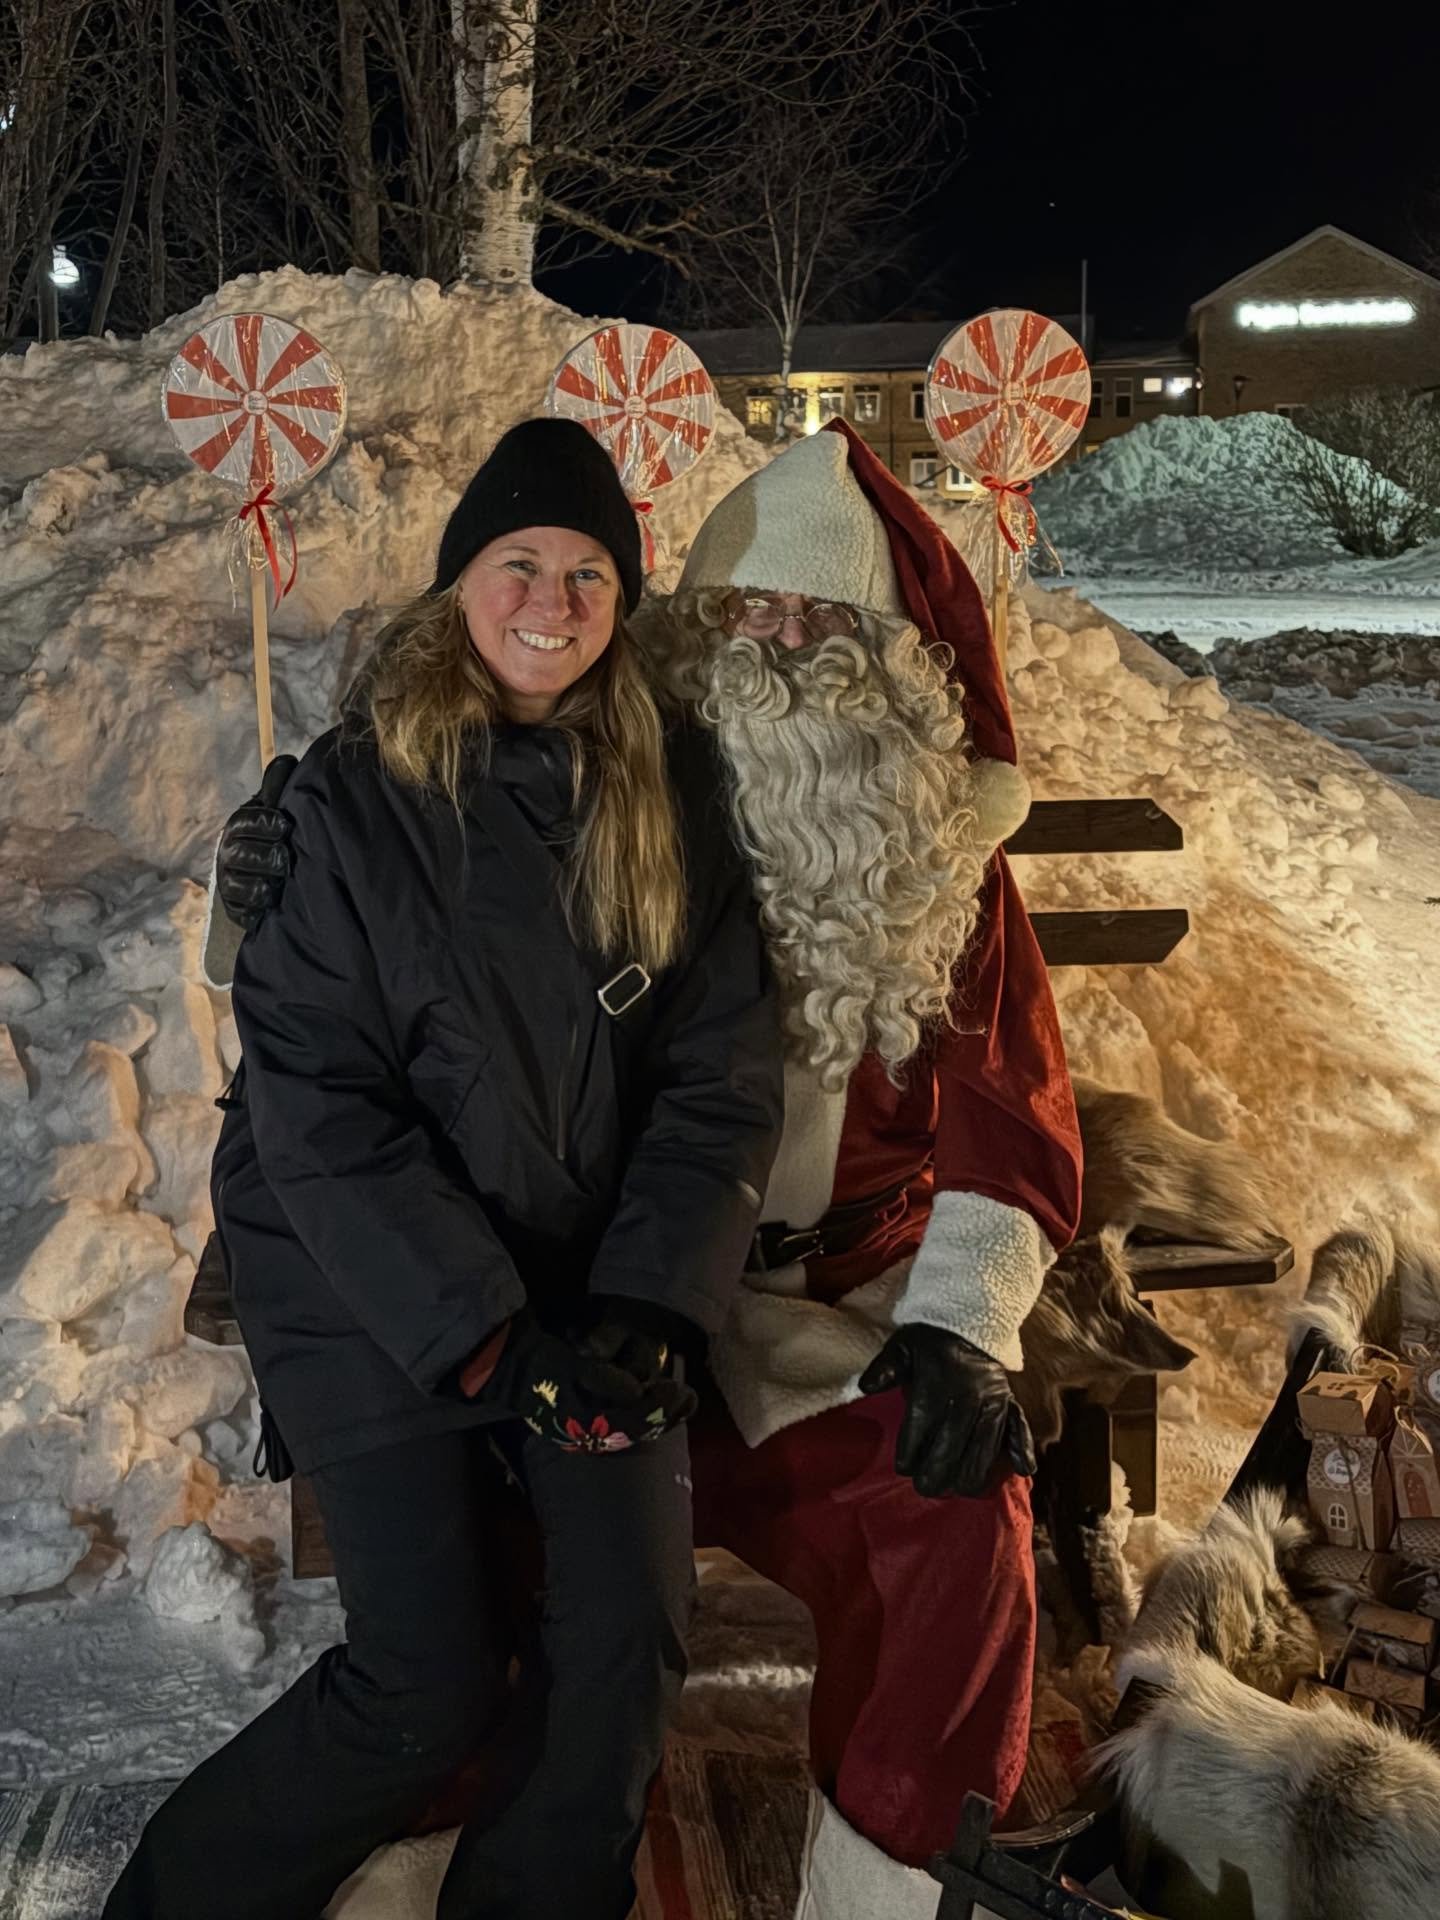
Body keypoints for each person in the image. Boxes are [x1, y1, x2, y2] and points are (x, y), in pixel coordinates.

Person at [211, 421, 1083, 1920]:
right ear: (692, 625)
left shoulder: (937, 866)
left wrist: (962, 1321)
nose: (787, 642)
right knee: (485, 1571)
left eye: (829, 619)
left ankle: (881, 1880)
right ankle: (444, 1853)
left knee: (954, 1512)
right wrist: (253, 893)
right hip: (591, 1279)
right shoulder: (610, 781)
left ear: (898, 660)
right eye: (753, 608)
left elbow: (1012, 1113)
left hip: (820, 1310)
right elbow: (382, 1002)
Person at [104, 417, 784, 1920]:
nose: (553, 602)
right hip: (364, 1279)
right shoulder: (353, 800)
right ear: (459, 584)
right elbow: (324, 1109)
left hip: (590, 1273)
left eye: (591, 574)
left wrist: (650, 1309)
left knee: (621, 1643)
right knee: (428, 1680)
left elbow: (717, 1076)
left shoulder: (671, 787)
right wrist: (491, 1339)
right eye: (520, 565)